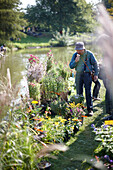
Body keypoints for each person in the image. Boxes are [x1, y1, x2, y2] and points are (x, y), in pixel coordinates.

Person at [69, 42, 98, 116]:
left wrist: (96, 74)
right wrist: (75, 61)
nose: (78, 51)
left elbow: (95, 64)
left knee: (88, 92)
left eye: (79, 50)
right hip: (78, 75)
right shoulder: (75, 55)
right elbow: (71, 66)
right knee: (79, 92)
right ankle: (80, 109)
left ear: (83, 49)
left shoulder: (89, 54)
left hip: (87, 74)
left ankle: (90, 109)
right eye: (77, 50)